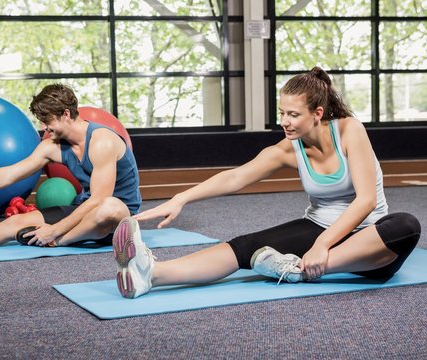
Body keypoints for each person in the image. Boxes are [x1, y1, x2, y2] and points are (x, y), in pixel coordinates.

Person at [110, 66, 421, 299]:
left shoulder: (349, 130)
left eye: (293, 114)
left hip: (370, 242)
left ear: (318, 113)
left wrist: (321, 247)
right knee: (245, 246)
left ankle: (298, 269)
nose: (284, 121)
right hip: (318, 226)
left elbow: (366, 200)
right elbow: (236, 177)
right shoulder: (288, 148)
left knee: (406, 226)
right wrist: (182, 198)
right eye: (282, 112)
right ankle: (151, 274)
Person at [0, 84, 141, 255]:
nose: (43, 127)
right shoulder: (52, 146)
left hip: (118, 216)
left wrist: (54, 230)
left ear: (66, 114)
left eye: (46, 120)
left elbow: (99, 200)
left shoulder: (102, 141)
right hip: (84, 209)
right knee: (14, 224)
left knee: (107, 208)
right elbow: (8, 174)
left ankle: (59, 241)